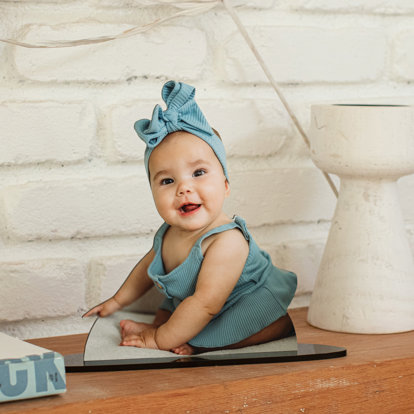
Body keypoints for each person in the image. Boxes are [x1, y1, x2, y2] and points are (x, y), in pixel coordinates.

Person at [84, 80, 297, 355]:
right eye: (167, 180)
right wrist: (116, 301)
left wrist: (158, 340)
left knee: (229, 329)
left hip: (240, 304)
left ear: (225, 184)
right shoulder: (170, 232)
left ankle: (212, 339)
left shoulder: (227, 242)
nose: (183, 188)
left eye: (198, 173)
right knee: (170, 309)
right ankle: (166, 328)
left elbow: (206, 304)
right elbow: (146, 268)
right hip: (196, 301)